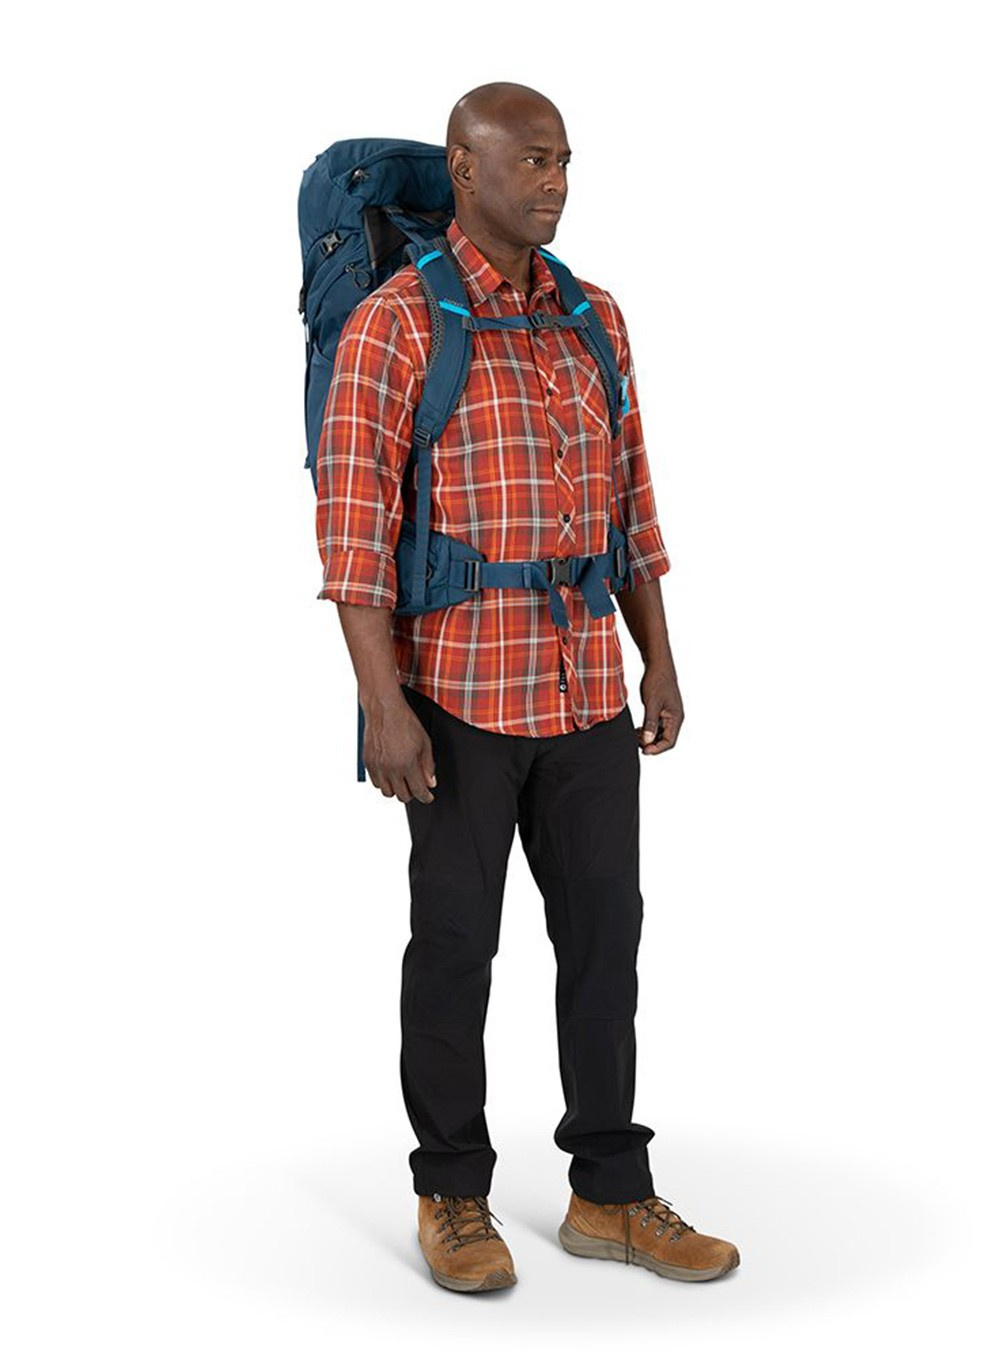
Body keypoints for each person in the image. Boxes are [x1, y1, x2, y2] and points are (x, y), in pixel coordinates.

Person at [314, 81, 740, 1293]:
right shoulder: (396, 323)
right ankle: (451, 1192)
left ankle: (610, 1189)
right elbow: (352, 530)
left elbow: (630, 504)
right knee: (456, 948)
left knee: (606, 941)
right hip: (456, 696)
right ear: (464, 167)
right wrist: (383, 707)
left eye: (564, 162)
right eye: (532, 161)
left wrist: (658, 656)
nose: (554, 182)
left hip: (586, 690)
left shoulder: (595, 316)